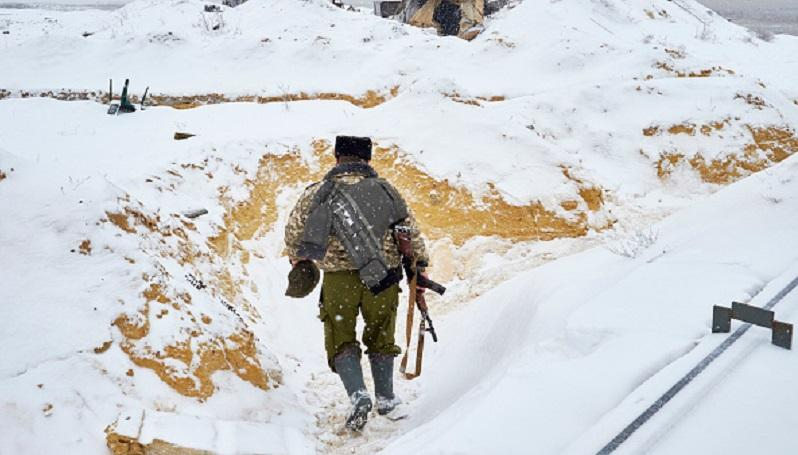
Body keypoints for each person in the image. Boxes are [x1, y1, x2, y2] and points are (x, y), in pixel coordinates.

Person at [284, 136, 430, 431]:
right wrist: (420, 270)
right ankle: (387, 399)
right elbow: (410, 234)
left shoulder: (318, 193)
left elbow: (293, 235)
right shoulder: (387, 192)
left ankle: (358, 395)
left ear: (338, 157)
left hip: (338, 281)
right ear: (368, 159)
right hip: (383, 280)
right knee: (381, 334)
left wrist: (299, 259)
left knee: (340, 337)